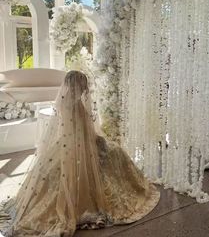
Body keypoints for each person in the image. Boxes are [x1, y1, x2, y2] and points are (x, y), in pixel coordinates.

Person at [0, 70, 160, 237]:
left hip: (71, 145)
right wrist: (99, 142)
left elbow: (77, 133)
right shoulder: (74, 105)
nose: (86, 89)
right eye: (83, 84)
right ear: (77, 85)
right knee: (116, 153)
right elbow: (82, 135)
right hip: (80, 147)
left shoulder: (66, 102)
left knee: (114, 151)